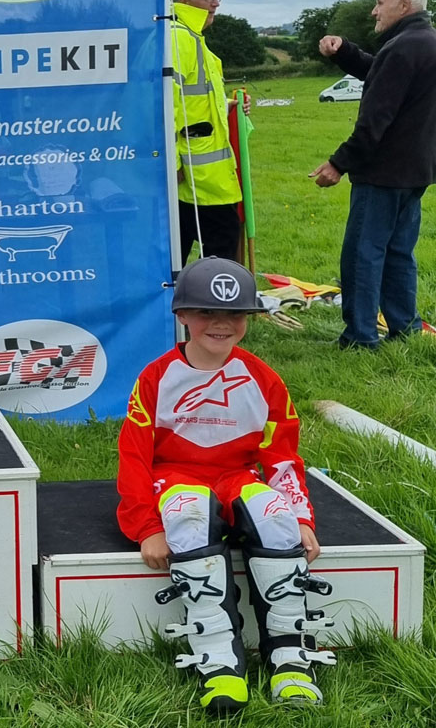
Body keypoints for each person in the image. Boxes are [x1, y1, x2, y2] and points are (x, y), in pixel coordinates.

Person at [117, 258, 335, 715]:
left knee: (275, 517)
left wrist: (301, 518)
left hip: (238, 477)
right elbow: (134, 457)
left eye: (234, 314)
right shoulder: (156, 377)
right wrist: (147, 528)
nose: (220, 324)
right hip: (177, 477)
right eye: (205, 312)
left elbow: (282, 456)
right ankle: (218, 661)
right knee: (189, 513)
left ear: (249, 318)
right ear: (181, 315)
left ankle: (290, 658)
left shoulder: (264, 378)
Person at [309, 0, 436, 349]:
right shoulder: (425, 42)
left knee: (363, 255)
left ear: (404, 5)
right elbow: (383, 74)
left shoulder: (402, 47)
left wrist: (338, 163)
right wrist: (345, 52)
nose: (373, 11)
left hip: (382, 173)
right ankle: (404, 327)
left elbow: (375, 119)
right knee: (399, 253)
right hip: (416, 171)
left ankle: (360, 336)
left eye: (380, 3)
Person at [170, 0, 247, 264]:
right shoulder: (179, 38)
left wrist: (227, 105)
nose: (216, 2)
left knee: (177, 257)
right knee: (218, 256)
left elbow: (193, 101)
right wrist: (173, 164)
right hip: (194, 177)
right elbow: (164, 105)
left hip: (203, 177)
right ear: (184, 1)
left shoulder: (192, 38)